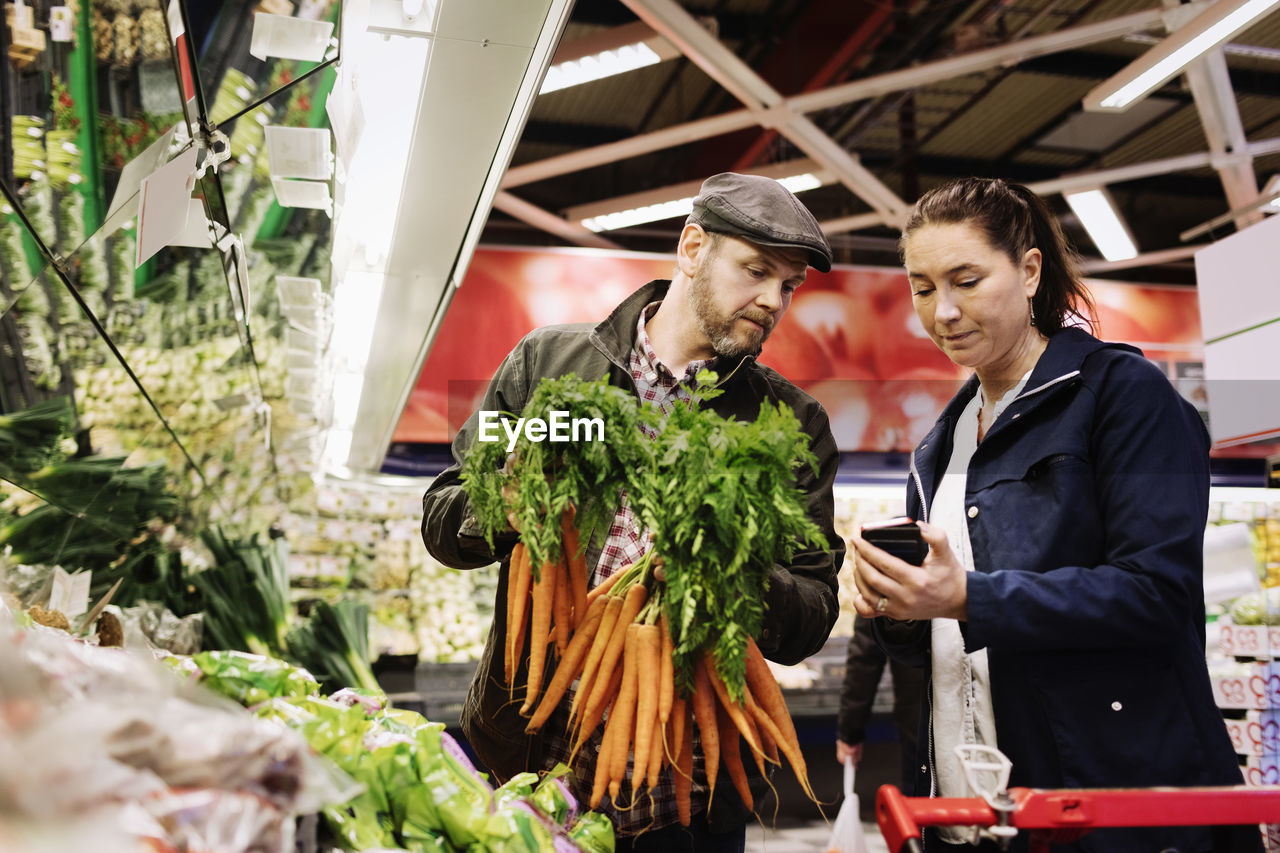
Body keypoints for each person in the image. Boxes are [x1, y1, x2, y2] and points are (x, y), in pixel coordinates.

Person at [422, 172, 846, 852]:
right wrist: (504, 504)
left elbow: (813, 613)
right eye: (756, 270)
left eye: (789, 285)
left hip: (686, 789)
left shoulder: (792, 426)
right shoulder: (546, 369)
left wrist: (730, 574)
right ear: (691, 248)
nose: (772, 300)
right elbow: (443, 516)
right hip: (523, 750)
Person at [849, 177, 1255, 853]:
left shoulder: (1125, 397)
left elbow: (1158, 592)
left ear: (1030, 270)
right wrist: (898, 608)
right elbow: (940, 640)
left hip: (1095, 807)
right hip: (969, 811)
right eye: (922, 287)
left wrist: (971, 596)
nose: (942, 311)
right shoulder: (939, 443)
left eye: (966, 280)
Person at [836, 613, 923, 792]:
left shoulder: (890, 586)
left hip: (920, 731)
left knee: (923, 807)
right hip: (979, 727)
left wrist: (850, 731)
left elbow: (864, 657)